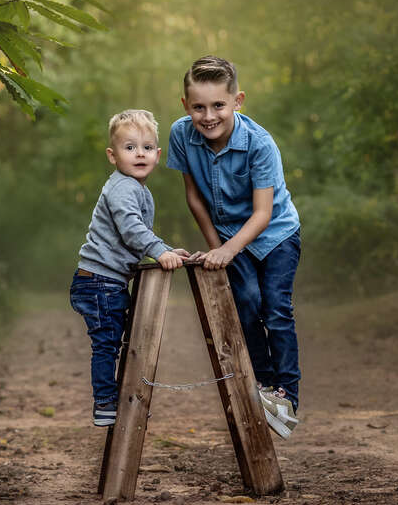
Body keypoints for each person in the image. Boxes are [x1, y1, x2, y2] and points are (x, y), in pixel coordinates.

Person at [166, 55, 302, 439]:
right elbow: (194, 198)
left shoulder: (259, 144)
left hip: (274, 233)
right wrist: (216, 250)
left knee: (274, 307)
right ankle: (262, 383)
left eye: (218, 106)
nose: (208, 116)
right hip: (227, 237)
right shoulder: (181, 134)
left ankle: (287, 394)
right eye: (198, 107)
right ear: (185, 106)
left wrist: (228, 251)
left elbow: (261, 214)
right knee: (244, 302)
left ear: (237, 101)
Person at [71, 109, 188, 426]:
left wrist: (163, 250)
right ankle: (106, 403)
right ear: (112, 155)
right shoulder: (123, 187)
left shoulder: (136, 188)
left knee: (121, 340)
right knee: (107, 344)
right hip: (98, 281)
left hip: (106, 281)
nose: (140, 154)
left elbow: (134, 236)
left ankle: (124, 398)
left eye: (147, 148)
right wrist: (159, 250)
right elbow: (132, 231)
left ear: (157, 154)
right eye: (130, 147)